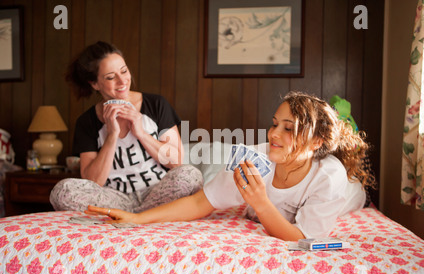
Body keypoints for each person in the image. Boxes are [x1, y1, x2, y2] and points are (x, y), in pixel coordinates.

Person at [85, 91, 376, 241]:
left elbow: (302, 238)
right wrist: (137, 219)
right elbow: (201, 202)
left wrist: (260, 203)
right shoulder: (253, 158)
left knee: (356, 193)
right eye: (274, 124)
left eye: (289, 129)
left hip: (349, 195)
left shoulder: (328, 176)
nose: (273, 134)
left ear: (315, 141)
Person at [50, 41, 203, 212]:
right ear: (94, 84)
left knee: (191, 175)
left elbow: (176, 162)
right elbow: (93, 182)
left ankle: (133, 217)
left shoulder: (156, 105)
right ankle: (142, 215)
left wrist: (141, 133)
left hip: (157, 193)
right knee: (62, 191)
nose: (122, 81)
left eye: (124, 71)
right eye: (110, 77)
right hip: (114, 199)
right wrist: (112, 134)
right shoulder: (87, 122)